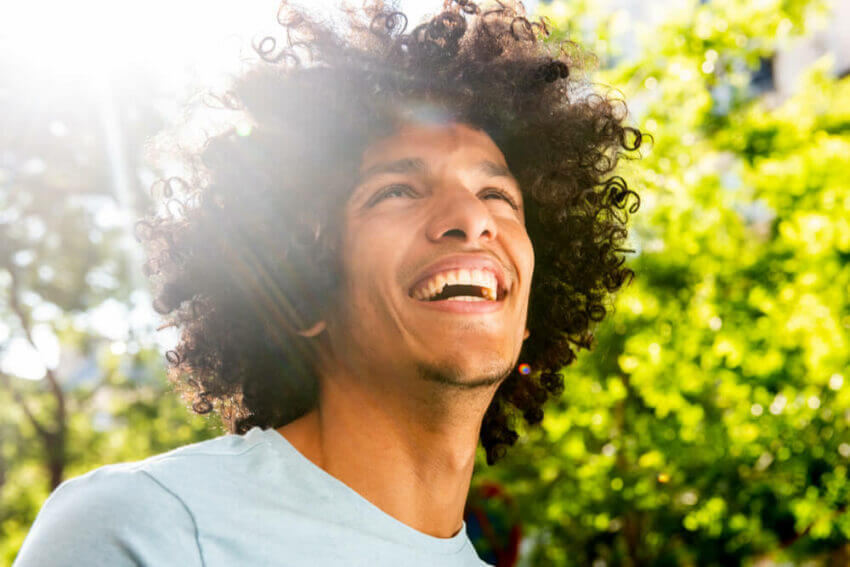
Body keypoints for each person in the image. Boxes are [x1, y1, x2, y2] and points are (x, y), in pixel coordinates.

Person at [14, 1, 642, 565]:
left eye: (496, 194)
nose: (472, 219)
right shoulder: (147, 527)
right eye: (396, 190)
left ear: (529, 309)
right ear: (301, 288)